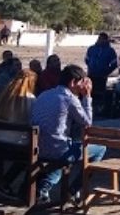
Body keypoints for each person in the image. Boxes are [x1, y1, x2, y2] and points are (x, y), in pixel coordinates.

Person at [31, 65, 106, 205]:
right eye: (81, 82)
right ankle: (73, 190)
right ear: (72, 82)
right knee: (100, 149)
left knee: (65, 149)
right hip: (59, 151)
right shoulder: (69, 98)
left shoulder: (43, 94)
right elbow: (87, 123)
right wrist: (87, 96)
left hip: (37, 148)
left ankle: (43, 188)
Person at [0, 69, 39, 198]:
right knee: (34, 153)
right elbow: (34, 121)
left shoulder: (3, 95)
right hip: (19, 143)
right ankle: (24, 188)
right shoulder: (31, 99)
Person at [84, 33, 118, 115]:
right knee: (89, 92)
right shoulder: (91, 49)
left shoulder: (110, 51)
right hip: (91, 74)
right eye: (99, 38)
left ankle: (99, 110)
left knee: (100, 93)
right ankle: (88, 108)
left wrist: (107, 71)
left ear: (106, 40)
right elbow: (87, 59)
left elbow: (114, 63)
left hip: (102, 76)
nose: (100, 40)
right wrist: (91, 67)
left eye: (102, 39)